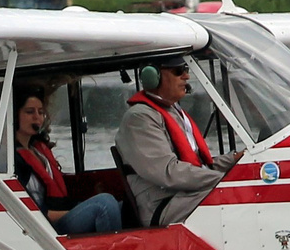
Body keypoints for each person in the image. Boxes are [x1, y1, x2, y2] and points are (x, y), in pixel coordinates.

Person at [114, 57, 245, 228]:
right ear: (152, 76)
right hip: (164, 205)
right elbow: (169, 172)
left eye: (186, 69)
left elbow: (200, 166)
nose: (186, 76)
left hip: (185, 194)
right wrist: (227, 181)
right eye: (178, 71)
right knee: (241, 193)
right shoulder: (140, 118)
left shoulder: (173, 111)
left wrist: (235, 160)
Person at [14, 88, 121, 235]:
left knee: (121, 207)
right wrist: (74, 211)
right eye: (29, 112)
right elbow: (34, 211)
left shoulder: (39, 150)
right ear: (15, 115)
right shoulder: (15, 161)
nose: (37, 117)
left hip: (60, 214)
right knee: (105, 204)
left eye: (40, 112)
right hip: (46, 226)